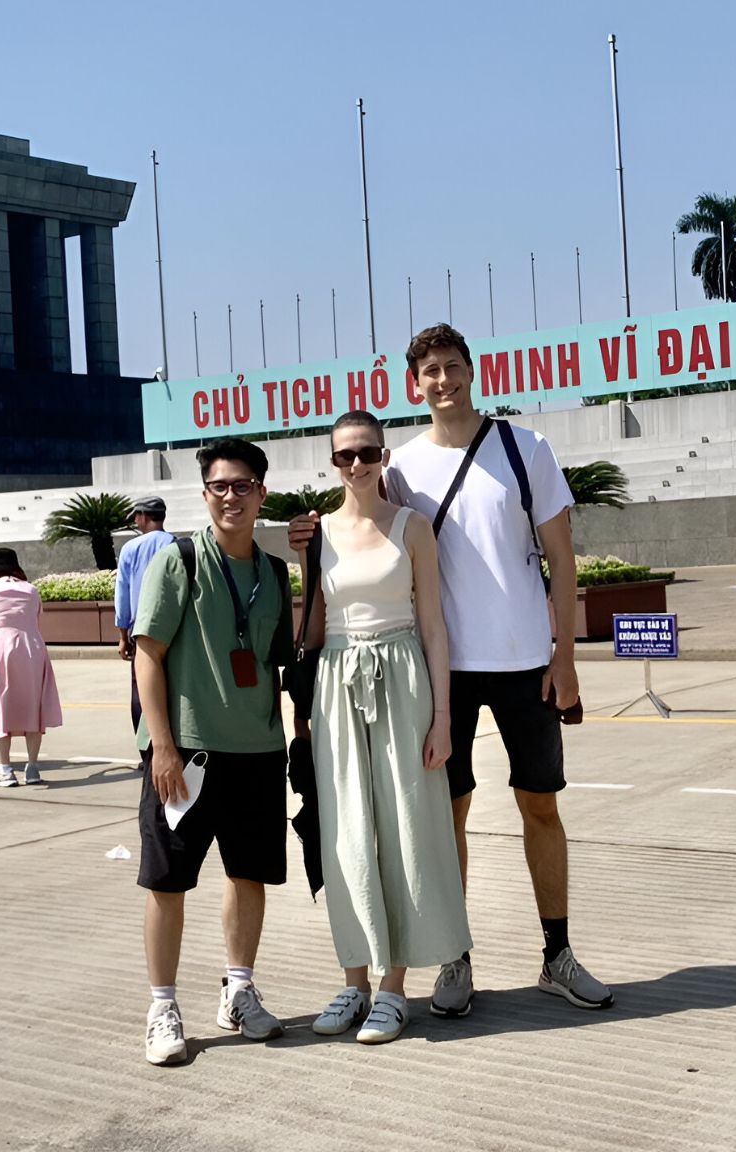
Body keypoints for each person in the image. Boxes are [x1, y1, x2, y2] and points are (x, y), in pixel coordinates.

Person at [290, 322, 612, 1017]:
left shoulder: (526, 450)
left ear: (472, 371)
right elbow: (368, 536)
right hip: (444, 672)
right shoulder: (400, 465)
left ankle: (556, 953)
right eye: (430, 370)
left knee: (541, 806)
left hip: (527, 660)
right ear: (414, 384)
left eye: (452, 366)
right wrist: (306, 543)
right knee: (445, 817)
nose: (443, 379)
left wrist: (566, 657)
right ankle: (455, 960)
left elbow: (562, 560)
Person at [299, 411, 469, 1046]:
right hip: (337, 684)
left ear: (384, 454)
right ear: (333, 462)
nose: (356, 465)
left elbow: (434, 627)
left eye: (366, 452)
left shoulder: (413, 527)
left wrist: (444, 717)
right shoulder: (316, 534)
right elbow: (313, 630)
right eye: (344, 456)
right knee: (345, 832)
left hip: (402, 678)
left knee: (403, 826)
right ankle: (353, 978)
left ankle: (395, 985)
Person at [132, 438, 294, 1066]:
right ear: (205, 495)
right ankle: (163, 1006)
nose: (232, 496)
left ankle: (239, 992)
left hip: (257, 750)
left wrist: (293, 736)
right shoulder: (179, 560)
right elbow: (149, 654)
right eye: (220, 487)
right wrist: (163, 746)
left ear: (262, 493)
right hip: (189, 754)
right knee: (167, 881)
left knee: (248, 875)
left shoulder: (275, 572)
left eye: (243, 485)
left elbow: (278, 662)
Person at [0, 547, 63, 787]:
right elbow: (36, 620)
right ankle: (32, 767)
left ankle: (5, 769)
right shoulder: (31, 590)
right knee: (34, 707)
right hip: (32, 648)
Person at [114, 496, 174, 729]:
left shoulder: (131, 548)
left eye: (136, 517)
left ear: (143, 516)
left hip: (140, 630)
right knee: (170, 686)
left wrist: (122, 635)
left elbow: (123, 593)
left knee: (142, 687)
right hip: (172, 629)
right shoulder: (175, 544)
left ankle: (146, 749)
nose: (136, 522)